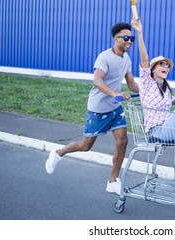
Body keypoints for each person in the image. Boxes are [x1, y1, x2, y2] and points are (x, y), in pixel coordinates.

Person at [45, 22, 139, 195]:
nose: (130, 41)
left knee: (123, 139)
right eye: (126, 38)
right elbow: (97, 80)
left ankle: (113, 180)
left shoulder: (126, 59)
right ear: (115, 39)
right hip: (98, 108)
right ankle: (58, 153)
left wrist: (148, 93)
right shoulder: (104, 57)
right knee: (85, 145)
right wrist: (114, 93)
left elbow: (131, 83)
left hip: (115, 108)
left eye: (131, 38)